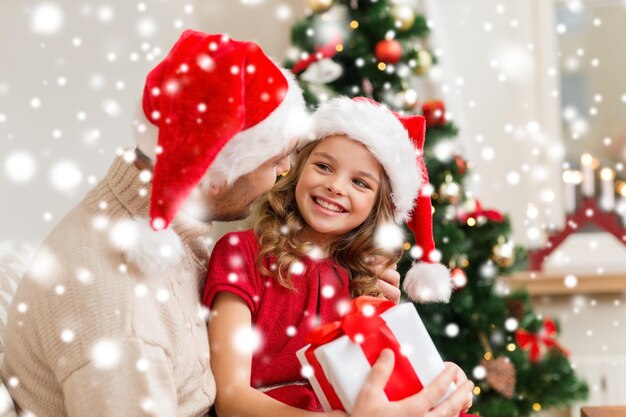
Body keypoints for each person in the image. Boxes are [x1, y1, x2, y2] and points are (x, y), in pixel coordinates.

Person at [0, 30, 403, 417]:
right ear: (215, 173)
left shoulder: (167, 231)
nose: (285, 171)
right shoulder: (126, 325)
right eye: (273, 160)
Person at [204, 97, 474, 417]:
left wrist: (439, 377)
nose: (335, 186)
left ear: (379, 205)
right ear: (298, 167)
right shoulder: (241, 253)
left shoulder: (367, 280)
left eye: (359, 182)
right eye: (323, 166)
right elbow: (230, 399)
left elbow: (381, 387)